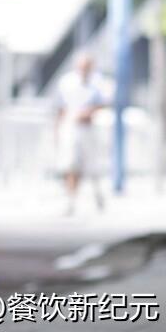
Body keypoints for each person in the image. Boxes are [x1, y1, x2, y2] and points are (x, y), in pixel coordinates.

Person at [54, 54, 110, 215]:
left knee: (93, 166)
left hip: (89, 128)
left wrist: (89, 111)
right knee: (70, 164)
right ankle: (70, 200)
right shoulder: (67, 83)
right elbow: (60, 108)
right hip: (71, 126)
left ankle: (98, 194)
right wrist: (58, 130)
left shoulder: (97, 83)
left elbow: (103, 103)